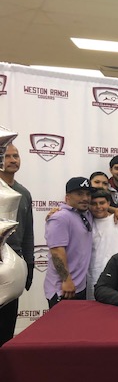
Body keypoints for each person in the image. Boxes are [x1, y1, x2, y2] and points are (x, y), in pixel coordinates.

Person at [0, 143, 34, 346]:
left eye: (16, 155)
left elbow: (28, 231)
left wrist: (29, 263)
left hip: (14, 265)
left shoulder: (24, 193)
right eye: (8, 156)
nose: (13, 160)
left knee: (7, 326)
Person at [44, 177, 94, 308]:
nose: (85, 198)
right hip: (64, 289)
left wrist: (116, 210)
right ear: (67, 197)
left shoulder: (85, 213)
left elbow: (103, 206)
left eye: (88, 194)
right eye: (79, 194)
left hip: (80, 287)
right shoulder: (60, 217)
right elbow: (56, 252)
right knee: (61, 328)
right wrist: (66, 280)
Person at [86, 189, 118, 300]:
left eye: (102, 203)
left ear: (108, 203)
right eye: (94, 204)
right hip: (94, 275)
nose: (98, 207)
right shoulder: (85, 221)